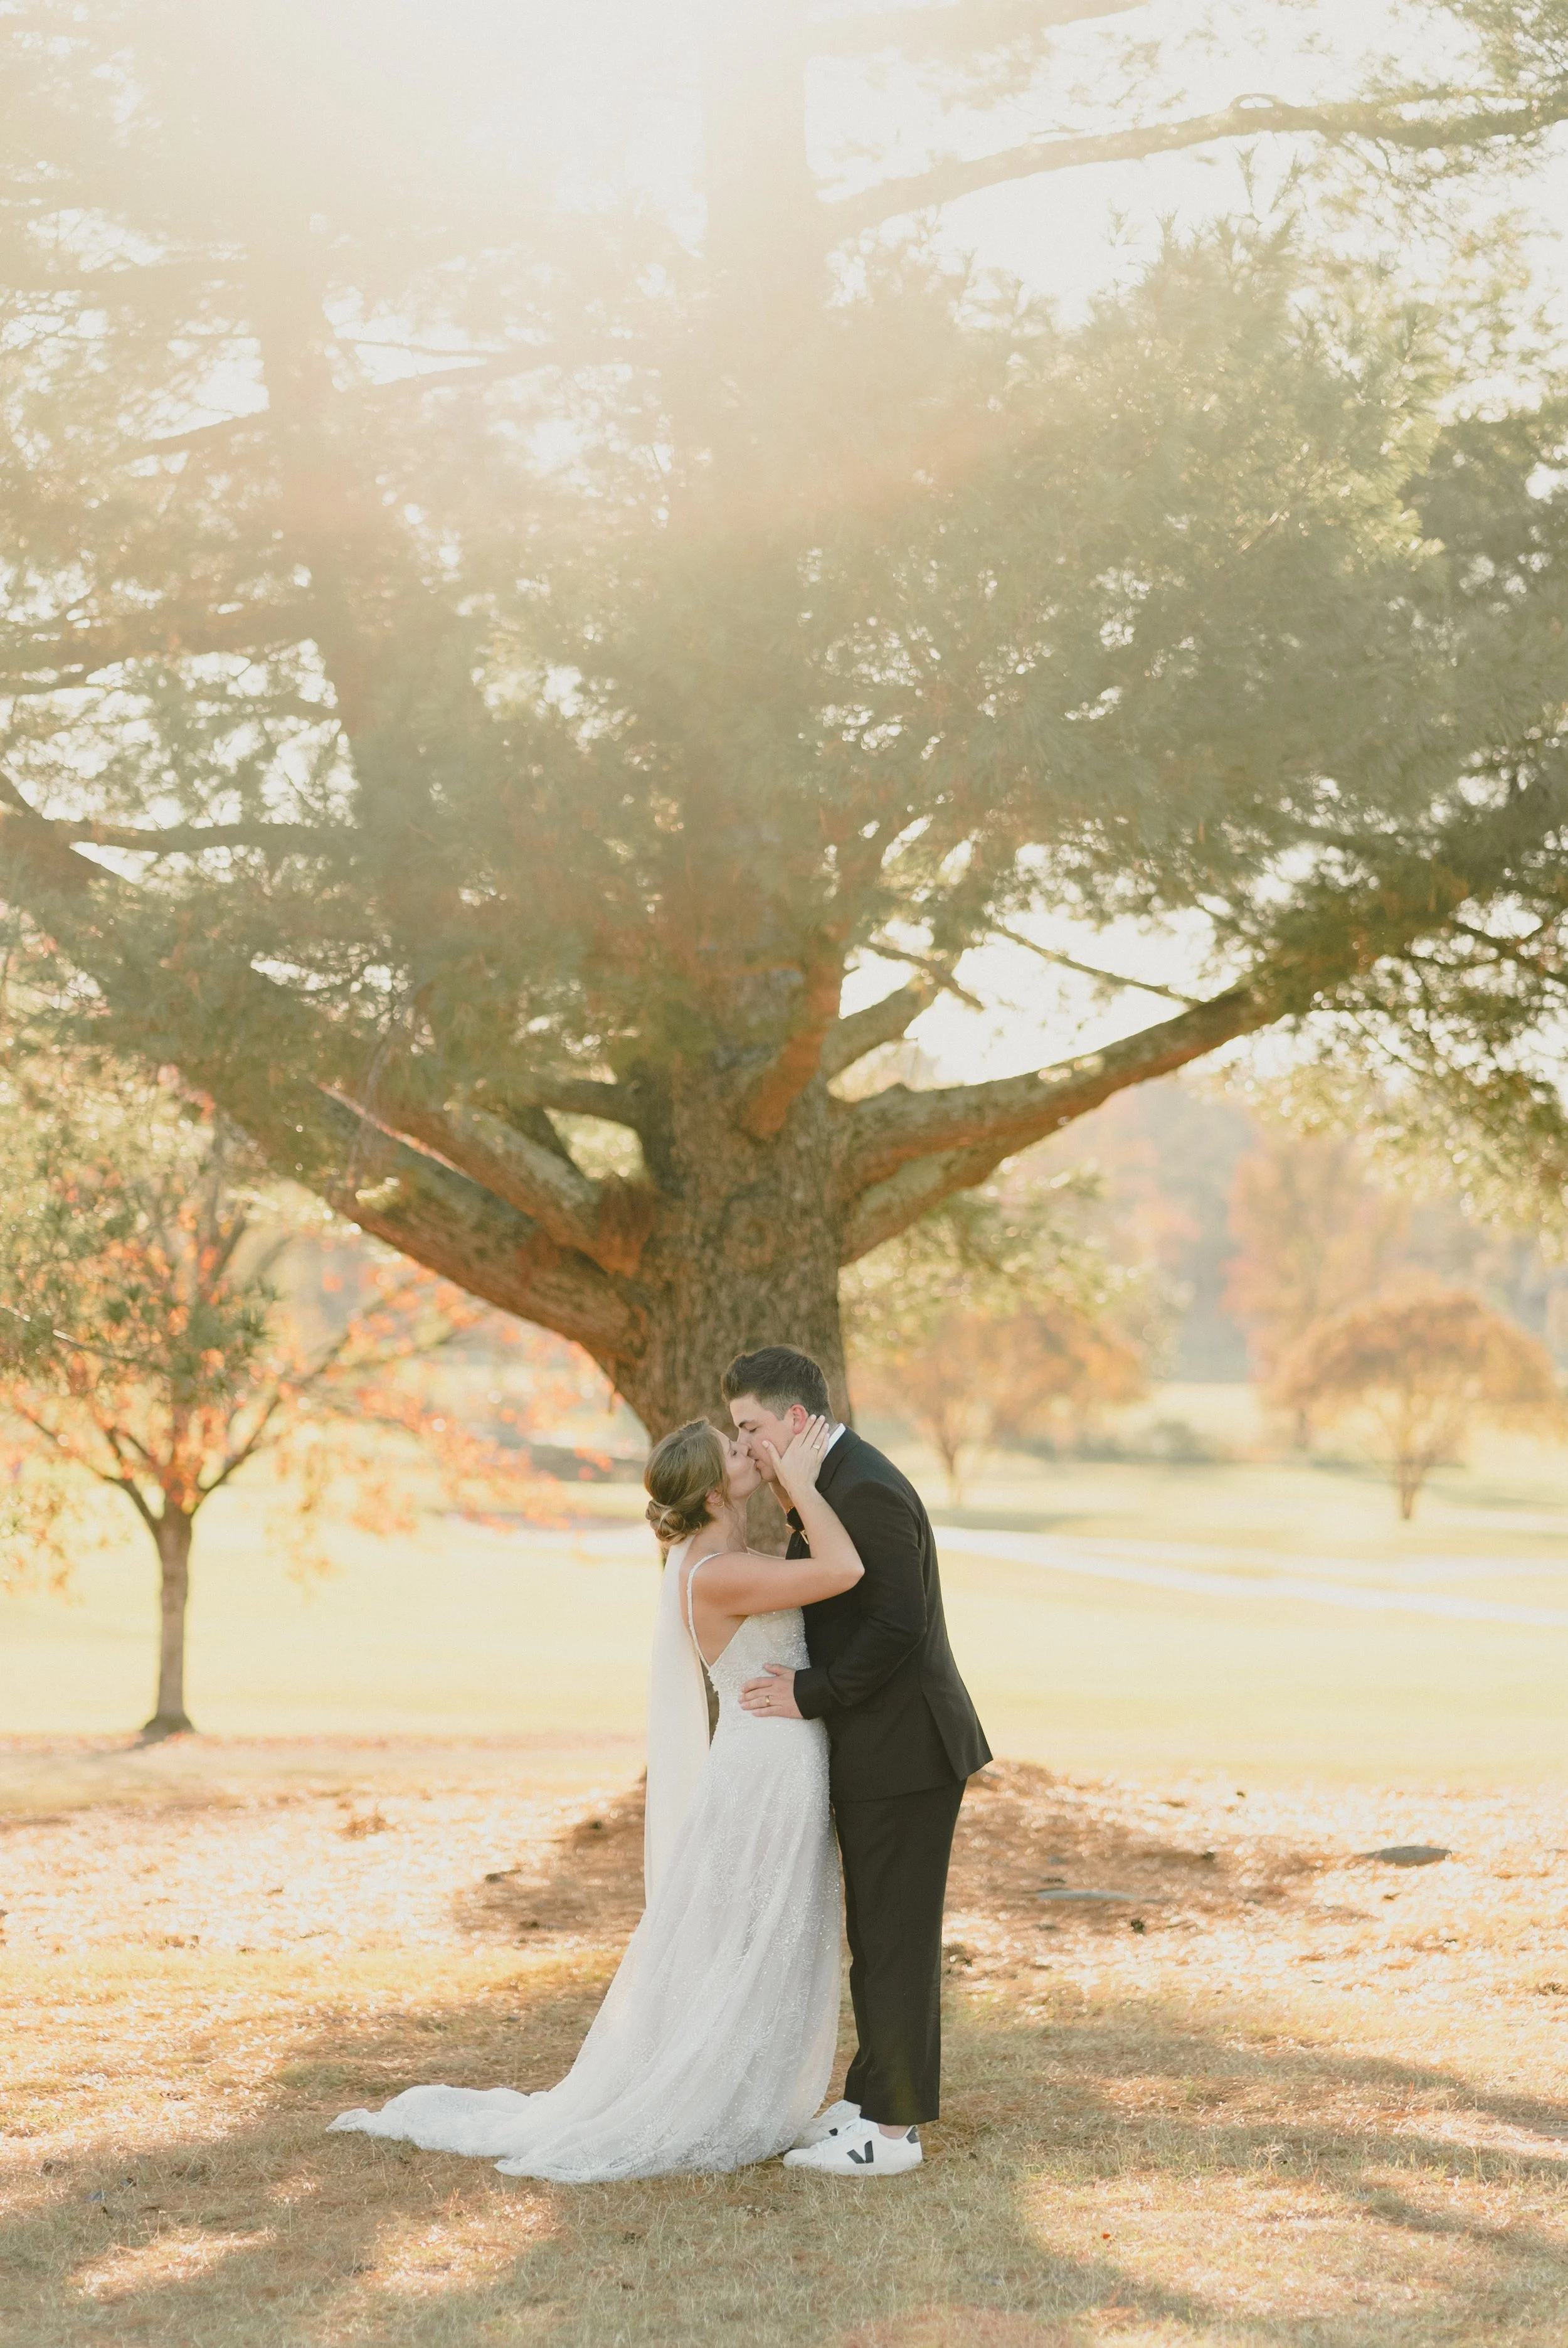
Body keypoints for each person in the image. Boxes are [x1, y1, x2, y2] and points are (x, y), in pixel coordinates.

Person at [327, 1414, 860, 2181]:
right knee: (760, 1926)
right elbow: (841, 1568)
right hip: (765, 1770)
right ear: (714, 1490)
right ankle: (728, 2096)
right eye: (736, 1450)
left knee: (772, 1926)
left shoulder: (731, 1556)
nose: (751, 1449)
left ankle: (754, 2088)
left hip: (776, 1759)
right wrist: (805, 1484)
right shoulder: (715, 1573)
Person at [724, 1343, 992, 2179]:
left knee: (896, 1938)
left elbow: (898, 1623)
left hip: (908, 1749)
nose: (747, 1443)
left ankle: (894, 2132)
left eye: (752, 1426)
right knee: (874, 1936)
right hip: (883, 1750)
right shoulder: (827, 1482)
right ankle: (872, 2091)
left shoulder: (864, 1485)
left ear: (796, 1419)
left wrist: (811, 1691)